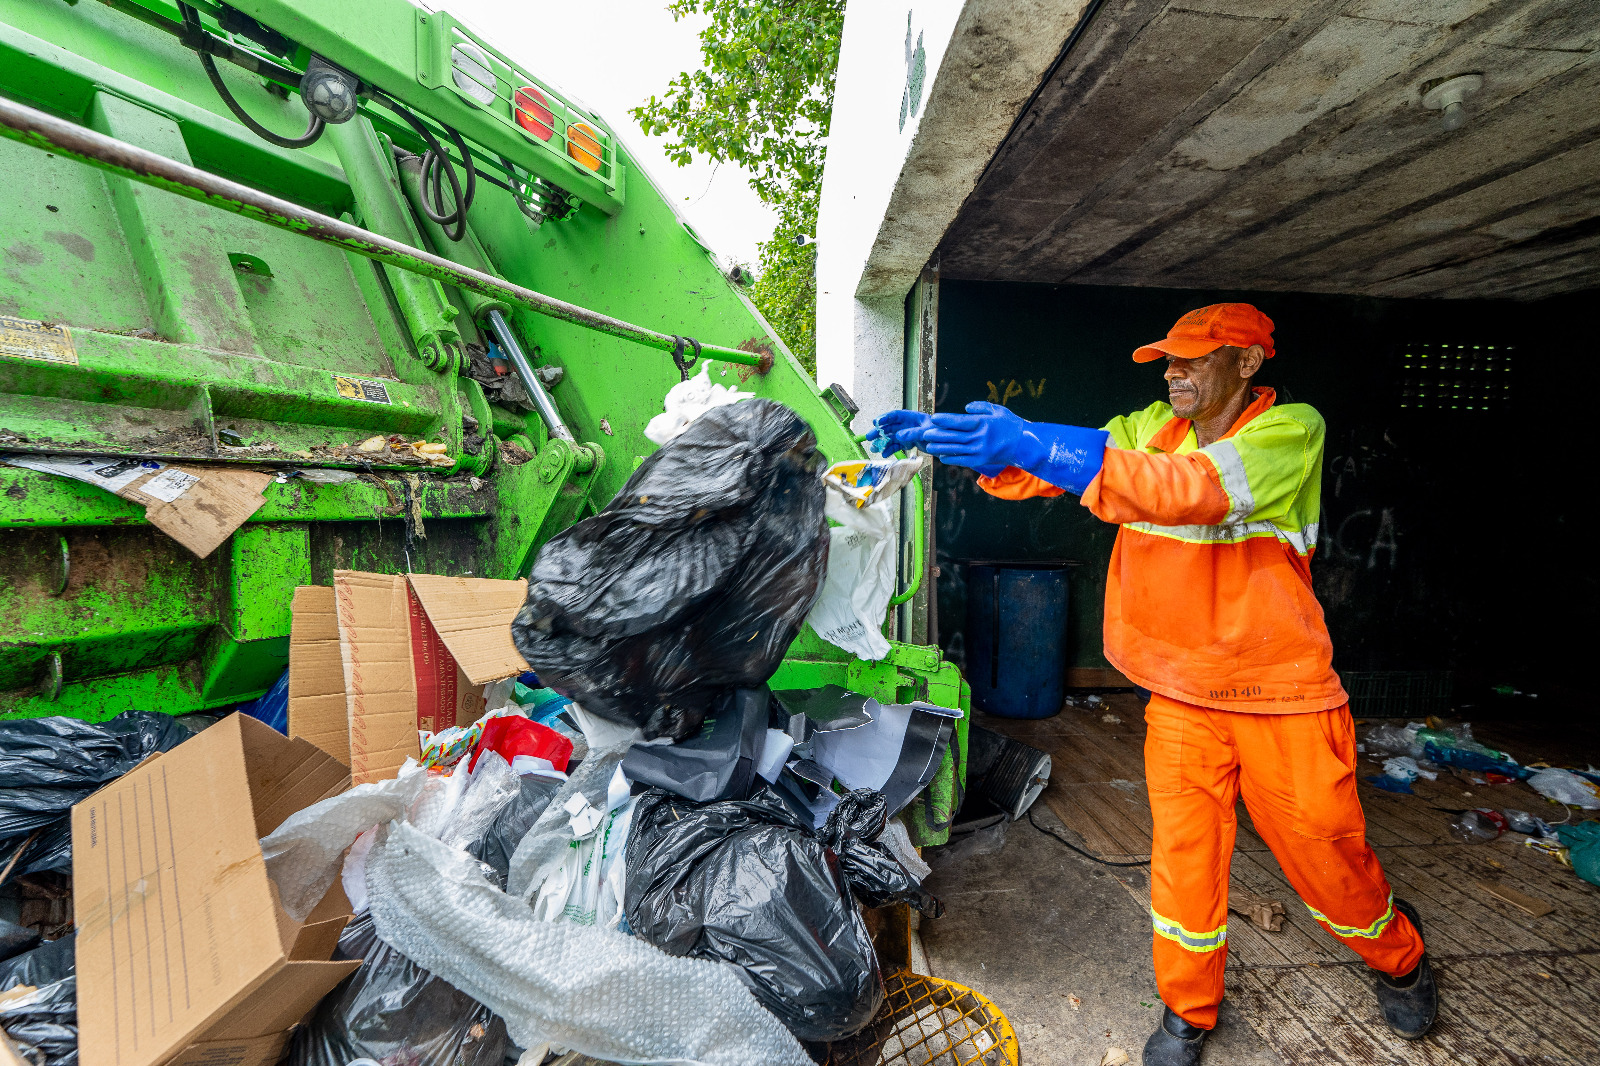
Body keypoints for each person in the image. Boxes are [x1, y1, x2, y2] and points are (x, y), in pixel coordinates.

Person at [869, 304, 1437, 1065]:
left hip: (1281, 696)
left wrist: (1040, 446)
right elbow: (1074, 462)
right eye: (1168, 359)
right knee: (1184, 861)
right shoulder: (1148, 428)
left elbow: (1188, 490)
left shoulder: (1288, 431)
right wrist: (985, 449)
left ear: (1246, 363)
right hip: (1179, 696)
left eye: (1193, 358)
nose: (1173, 371)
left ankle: (1400, 957)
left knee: (1326, 857)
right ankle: (1187, 1011)